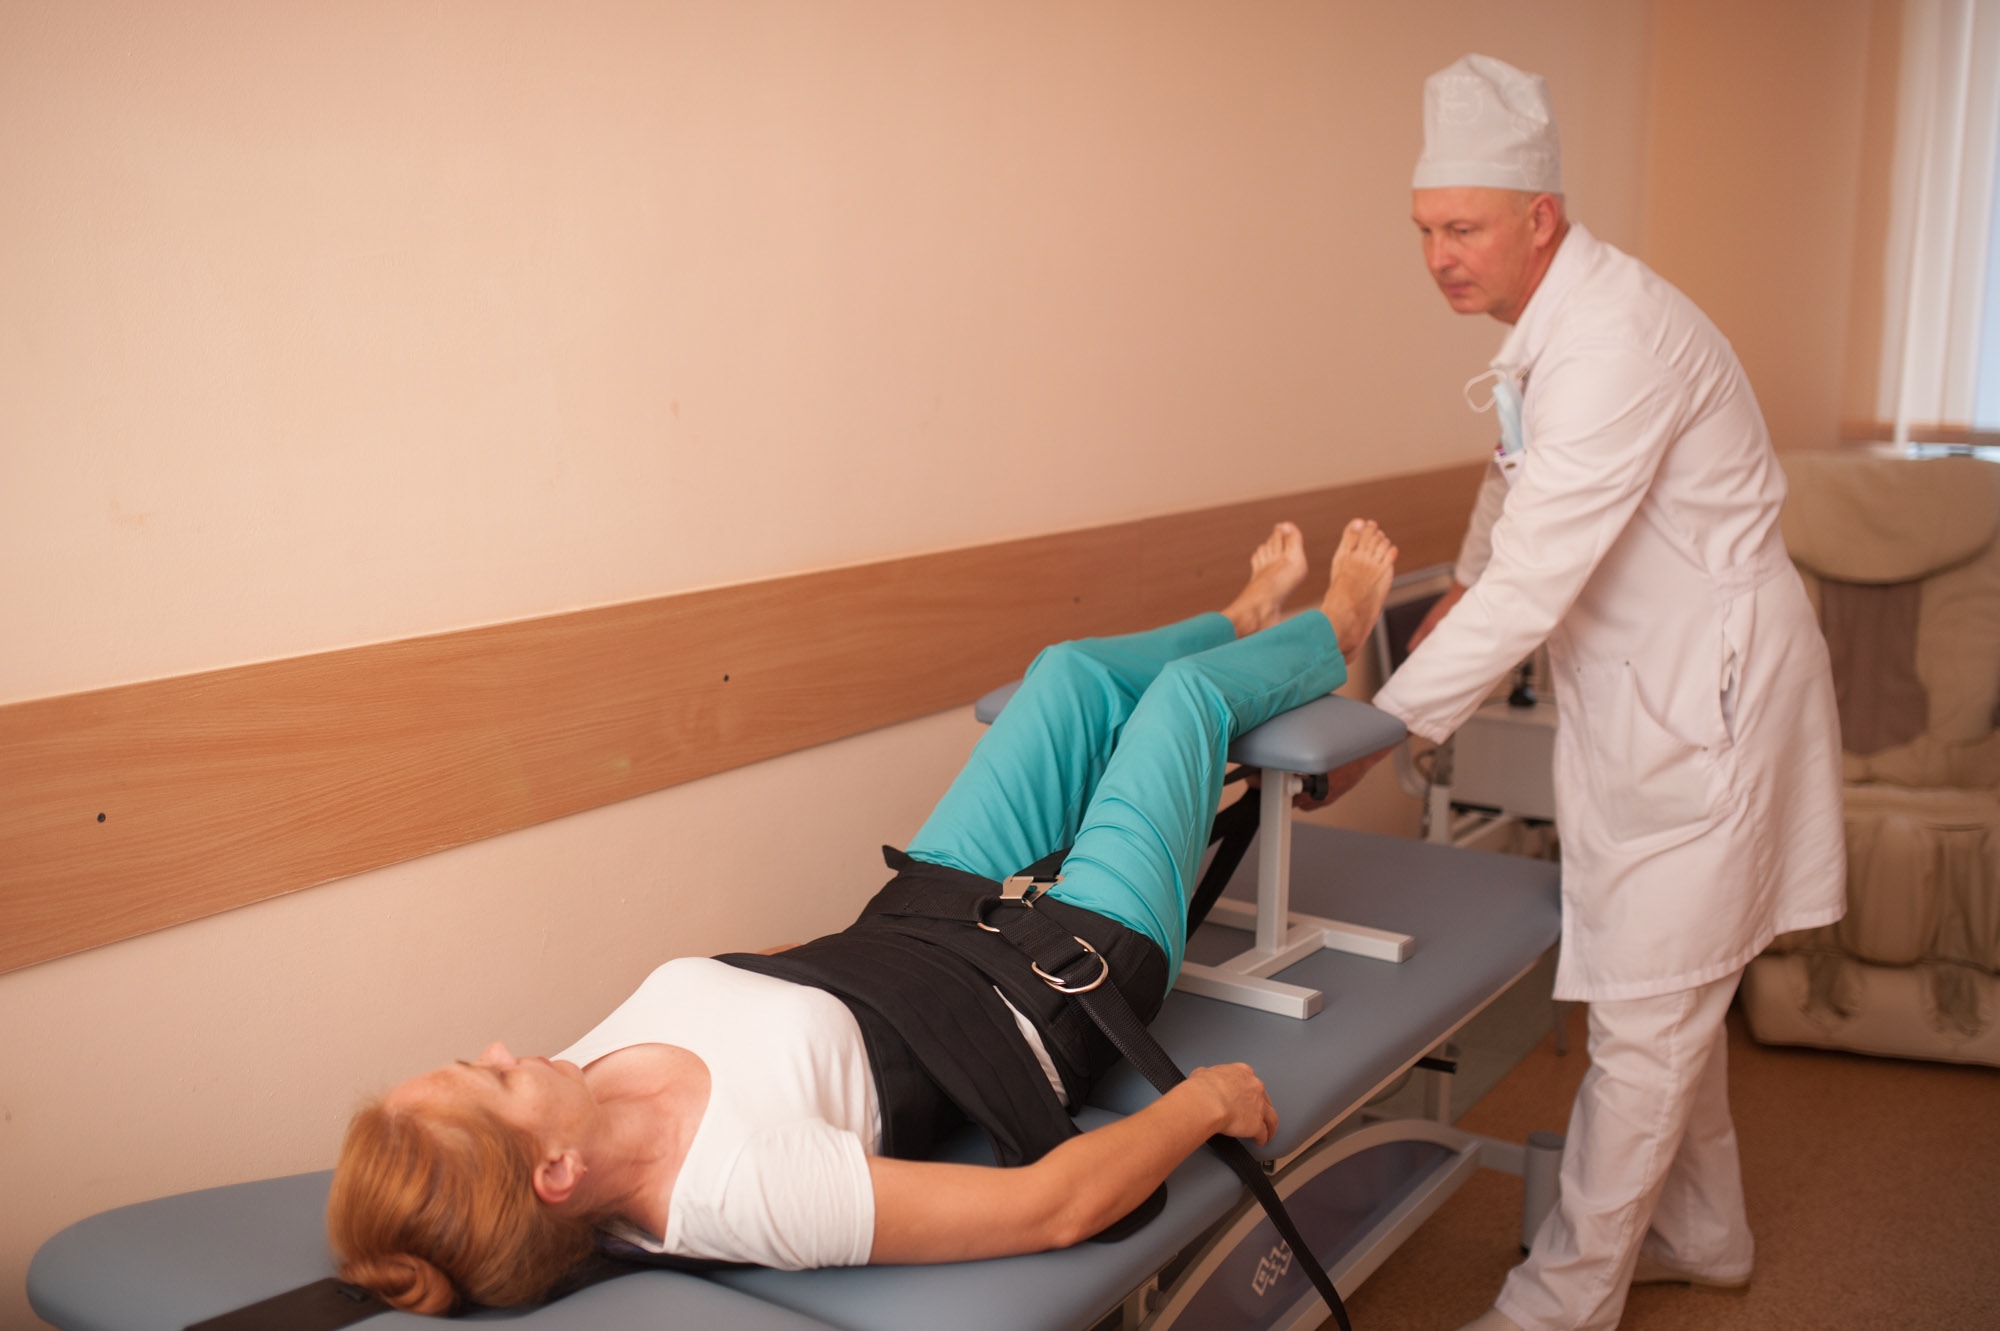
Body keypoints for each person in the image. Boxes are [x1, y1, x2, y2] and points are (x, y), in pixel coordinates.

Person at [327, 518, 1399, 1315]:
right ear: (556, 1175)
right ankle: (1332, 631)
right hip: (1067, 974)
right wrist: (1205, 1102)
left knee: (1067, 674)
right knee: (1182, 704)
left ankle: (1240, 620)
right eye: (492, 1079)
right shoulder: (742, 1186)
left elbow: (768, 981)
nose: (504, 1051)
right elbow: (1052, 1207)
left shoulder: (576, 1081)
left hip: (918, 922)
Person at [1368, 55, 1847, 1331]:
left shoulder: (1613, 340)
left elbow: (1529, 580)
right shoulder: (1548, 335)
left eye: (1462, 229)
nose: (1438, 257)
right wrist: (1439, 611)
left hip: (1705, 698)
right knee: (1666, 981)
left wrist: (1379, 725)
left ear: (1538, 217)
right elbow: (1504, 524)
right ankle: (1704, 1231)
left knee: (1645, 1013)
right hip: (1653, 690)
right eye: (1423, 230)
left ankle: (1554, 1305)